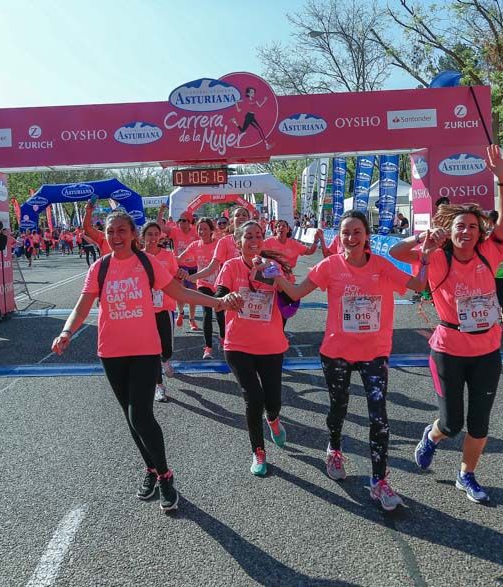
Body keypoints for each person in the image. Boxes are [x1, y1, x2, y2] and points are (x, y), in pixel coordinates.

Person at [52, 211, 239, 511]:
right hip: (111, 352)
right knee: (130, 417)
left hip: (144, 350)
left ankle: (164, 475)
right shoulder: (100, 267)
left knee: (140, 415)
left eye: (122, 230)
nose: (116, 236)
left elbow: (179, 292)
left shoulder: (147, 263)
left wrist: (217, 302)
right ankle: (150, 469)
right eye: (111, 231)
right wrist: (66, 332)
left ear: (132, 234)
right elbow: (82, 306)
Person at [272, 211, 432, 509]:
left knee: (379, 417)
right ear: (339, 237)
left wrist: (426, 256)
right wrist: (275, 276)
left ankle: (379, 481)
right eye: (346, 232)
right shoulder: (329, 265)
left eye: (357, 231)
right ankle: (334, 448)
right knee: (339, 407)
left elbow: (419, 285)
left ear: (367, 235)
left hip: (374, 352)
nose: (351, 237)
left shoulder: (381, 265)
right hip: (337, 352)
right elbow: (295, 292)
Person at [390, 144, 503, 504]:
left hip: (487, 350)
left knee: (479, 423)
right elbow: (396, 252)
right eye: (461, 226)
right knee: (451, 423)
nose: (467, 231)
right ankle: (431, 437)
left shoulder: (489, 252)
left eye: (473, 227)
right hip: (449, 350)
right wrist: (424, 238)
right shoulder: (437, 257)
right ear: (451, 230)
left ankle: (467, 474)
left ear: (480, 232)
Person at [213, 220, 291, 477]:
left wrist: (276, 275)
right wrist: (226, 298)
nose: (254, 240)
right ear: (238, 242)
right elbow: (218, 297)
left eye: (258, 235)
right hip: (238, 345)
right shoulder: (231, 266)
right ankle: (258, 451)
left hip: (271, 344)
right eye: (248, 236)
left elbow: (291, 298)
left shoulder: (273, 266)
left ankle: (274, 419)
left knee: (273, 401)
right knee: (253, 399)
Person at [141, 222, 179, 401]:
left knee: (167, 348)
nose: (153, 238)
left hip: (165, 307)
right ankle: (159, 386)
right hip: (145, 310)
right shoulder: (138, 257)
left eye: (156, 234)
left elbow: (175, 276)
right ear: (143, 237)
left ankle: (166, 360)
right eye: (149, 234)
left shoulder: (168, 255)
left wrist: (182, 275)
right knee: (151, 350)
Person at [178, 218, 222, 358]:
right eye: (199, 229)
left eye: (205, 229)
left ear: (211, 230)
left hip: (219, 283)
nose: (202, 232)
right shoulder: (195, 245)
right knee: (206, 314)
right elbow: (179, 258)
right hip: (203, 283)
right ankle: (208, 348)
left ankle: (223, 338)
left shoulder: (218, 244)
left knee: (220, 314)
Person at [167, 213, 200, 330]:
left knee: (193, 295)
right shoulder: (175, 231)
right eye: (180, 220)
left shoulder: (196, 232)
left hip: (193, 267)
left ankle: (192, 320)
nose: (182, 222)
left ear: (190, 222)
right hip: (179, 266)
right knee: (180, 293)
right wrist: (161, 211)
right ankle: (180, 313)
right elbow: (161, 227)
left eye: (184, 220)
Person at [488, 211, 503, 331]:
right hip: (500, 270)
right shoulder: (502, 232)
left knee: (492, 297)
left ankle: (498, 322)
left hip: (492, 270)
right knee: (499, 297)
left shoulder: (491, 234)